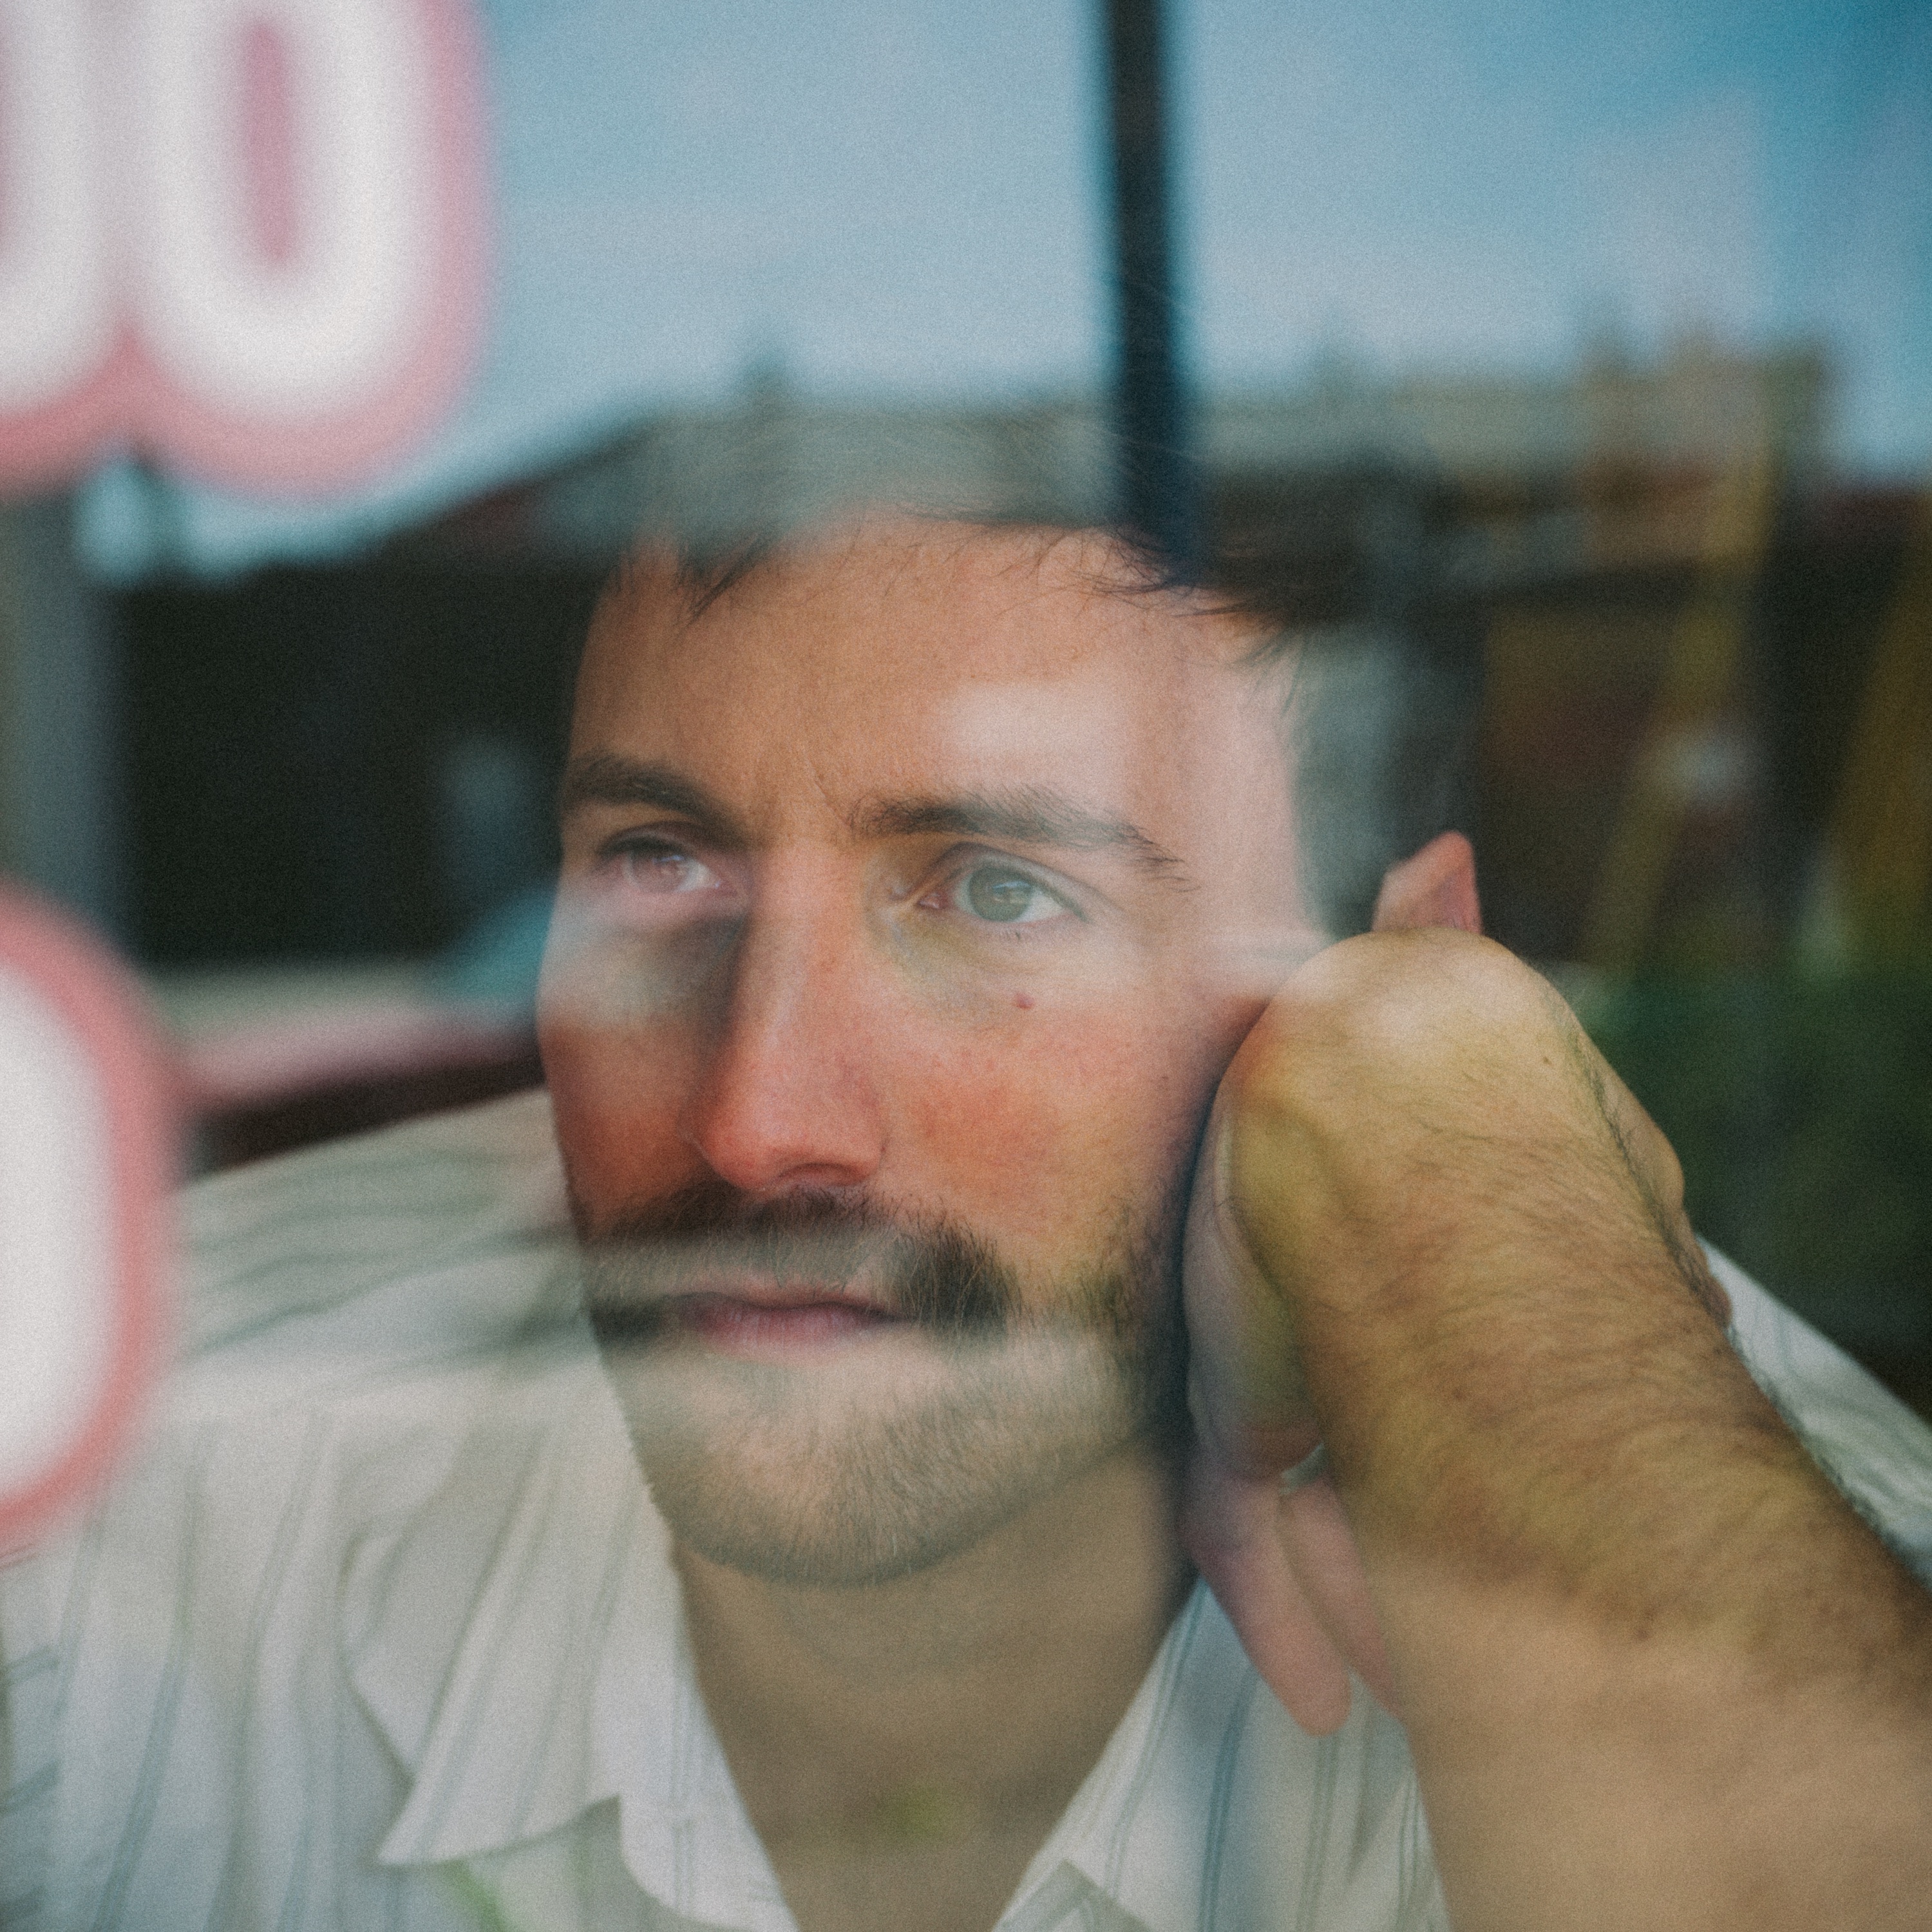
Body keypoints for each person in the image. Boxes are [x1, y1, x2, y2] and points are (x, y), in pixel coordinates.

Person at [4, 518, 1930, 1932]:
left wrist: (1449, 1145)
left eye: (1000, 893)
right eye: (659, 870)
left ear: (1389, 973)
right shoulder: (136, 1502)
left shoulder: (1739, 1525)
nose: (761, 1119)